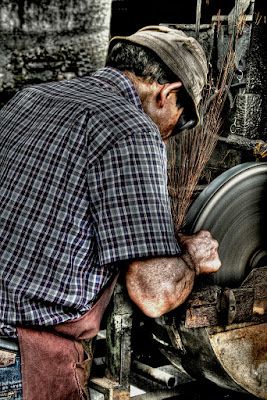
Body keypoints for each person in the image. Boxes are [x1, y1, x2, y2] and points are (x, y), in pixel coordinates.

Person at [0, 25, 221, 399]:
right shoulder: (132, 129)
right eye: (180, 122)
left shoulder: (28, 99)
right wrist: (194, 258)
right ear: (168, 93)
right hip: (19, 367)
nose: (170, 133)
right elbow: (153, 294)